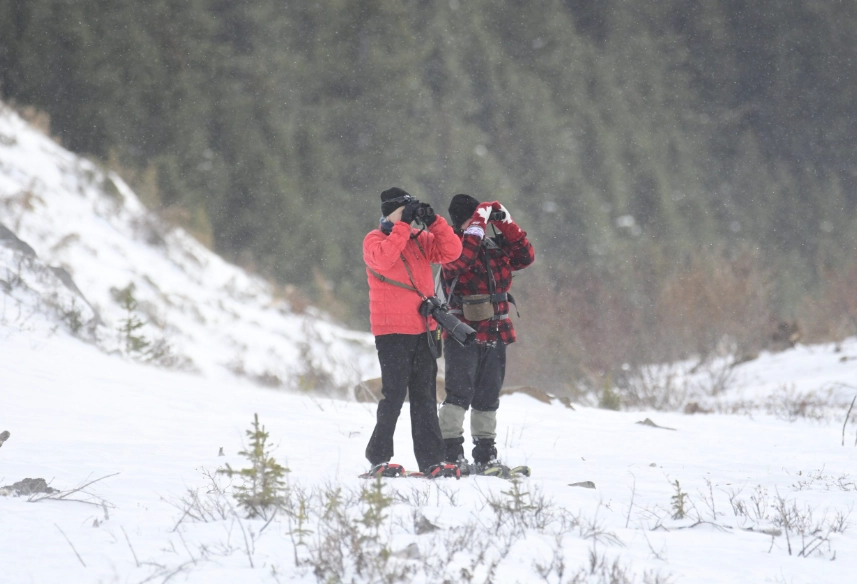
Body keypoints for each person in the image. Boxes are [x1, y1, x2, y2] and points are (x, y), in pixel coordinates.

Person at [363, 187, 463, 478]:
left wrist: (435, 222)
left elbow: (451, 251)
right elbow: (383, 260)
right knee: (393, 395)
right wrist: (403, 225)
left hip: (424, 329)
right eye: (403, 210)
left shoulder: (421, 240)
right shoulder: (374, 239)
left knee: (424, 396)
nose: (409, 215)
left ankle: (432, 461)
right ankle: (378, 457)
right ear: (389, 212)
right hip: (392, 331)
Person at [437, 194, 535, 472]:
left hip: (497, 331)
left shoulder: (492, 245)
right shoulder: (451, 247)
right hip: (463, 333)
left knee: (488, 396)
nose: (480, 226)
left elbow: (526, 257)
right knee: (458, 394)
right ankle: (451, 453)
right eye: (474, 219)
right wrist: (478, 223)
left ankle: (485, 454)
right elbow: (464, 259)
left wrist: (506, 224)